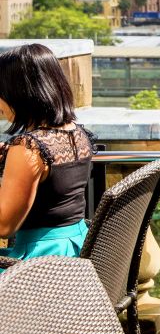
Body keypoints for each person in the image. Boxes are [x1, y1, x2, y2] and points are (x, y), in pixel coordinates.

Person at [0, 43, 94, 265]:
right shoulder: (78, 134)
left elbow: (4, 226)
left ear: (19, 94)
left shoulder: (28, 147)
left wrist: (18, 156)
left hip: (38, 267)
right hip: (75, 255)